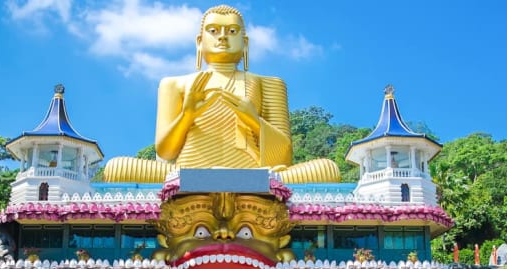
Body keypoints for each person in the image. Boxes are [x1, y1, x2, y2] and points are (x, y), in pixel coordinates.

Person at [102, 4, 339, 184]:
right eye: (213, 30)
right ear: (199, 41)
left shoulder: (269, 84)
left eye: (232, 31)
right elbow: (165, 151)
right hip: (186, 173)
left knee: (328, 169)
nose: (222, 36)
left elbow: (283, 158)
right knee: (116, 168)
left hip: (254, 175)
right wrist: (187, 115)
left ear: (245, 43)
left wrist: (254, 121)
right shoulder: (174, 84)